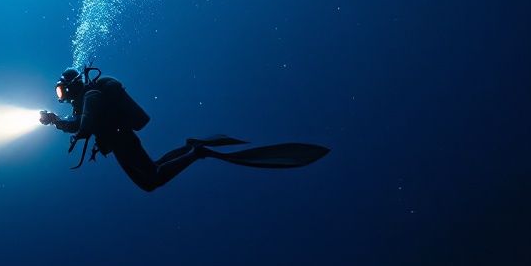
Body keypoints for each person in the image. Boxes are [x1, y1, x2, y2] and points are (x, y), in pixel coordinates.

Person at [39, 67, 329, 192]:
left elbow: (85, 125)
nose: (61, 95)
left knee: (151, 181)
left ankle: (198, 151)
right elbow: (81, 123)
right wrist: (56, 121)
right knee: (151, 176)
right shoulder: (89, 98)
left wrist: (68, 128)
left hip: (122, 140)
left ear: (73, 85)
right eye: (59, 92)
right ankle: (192, 147)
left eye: (62, 91)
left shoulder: (90, 96)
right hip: (121, 140)